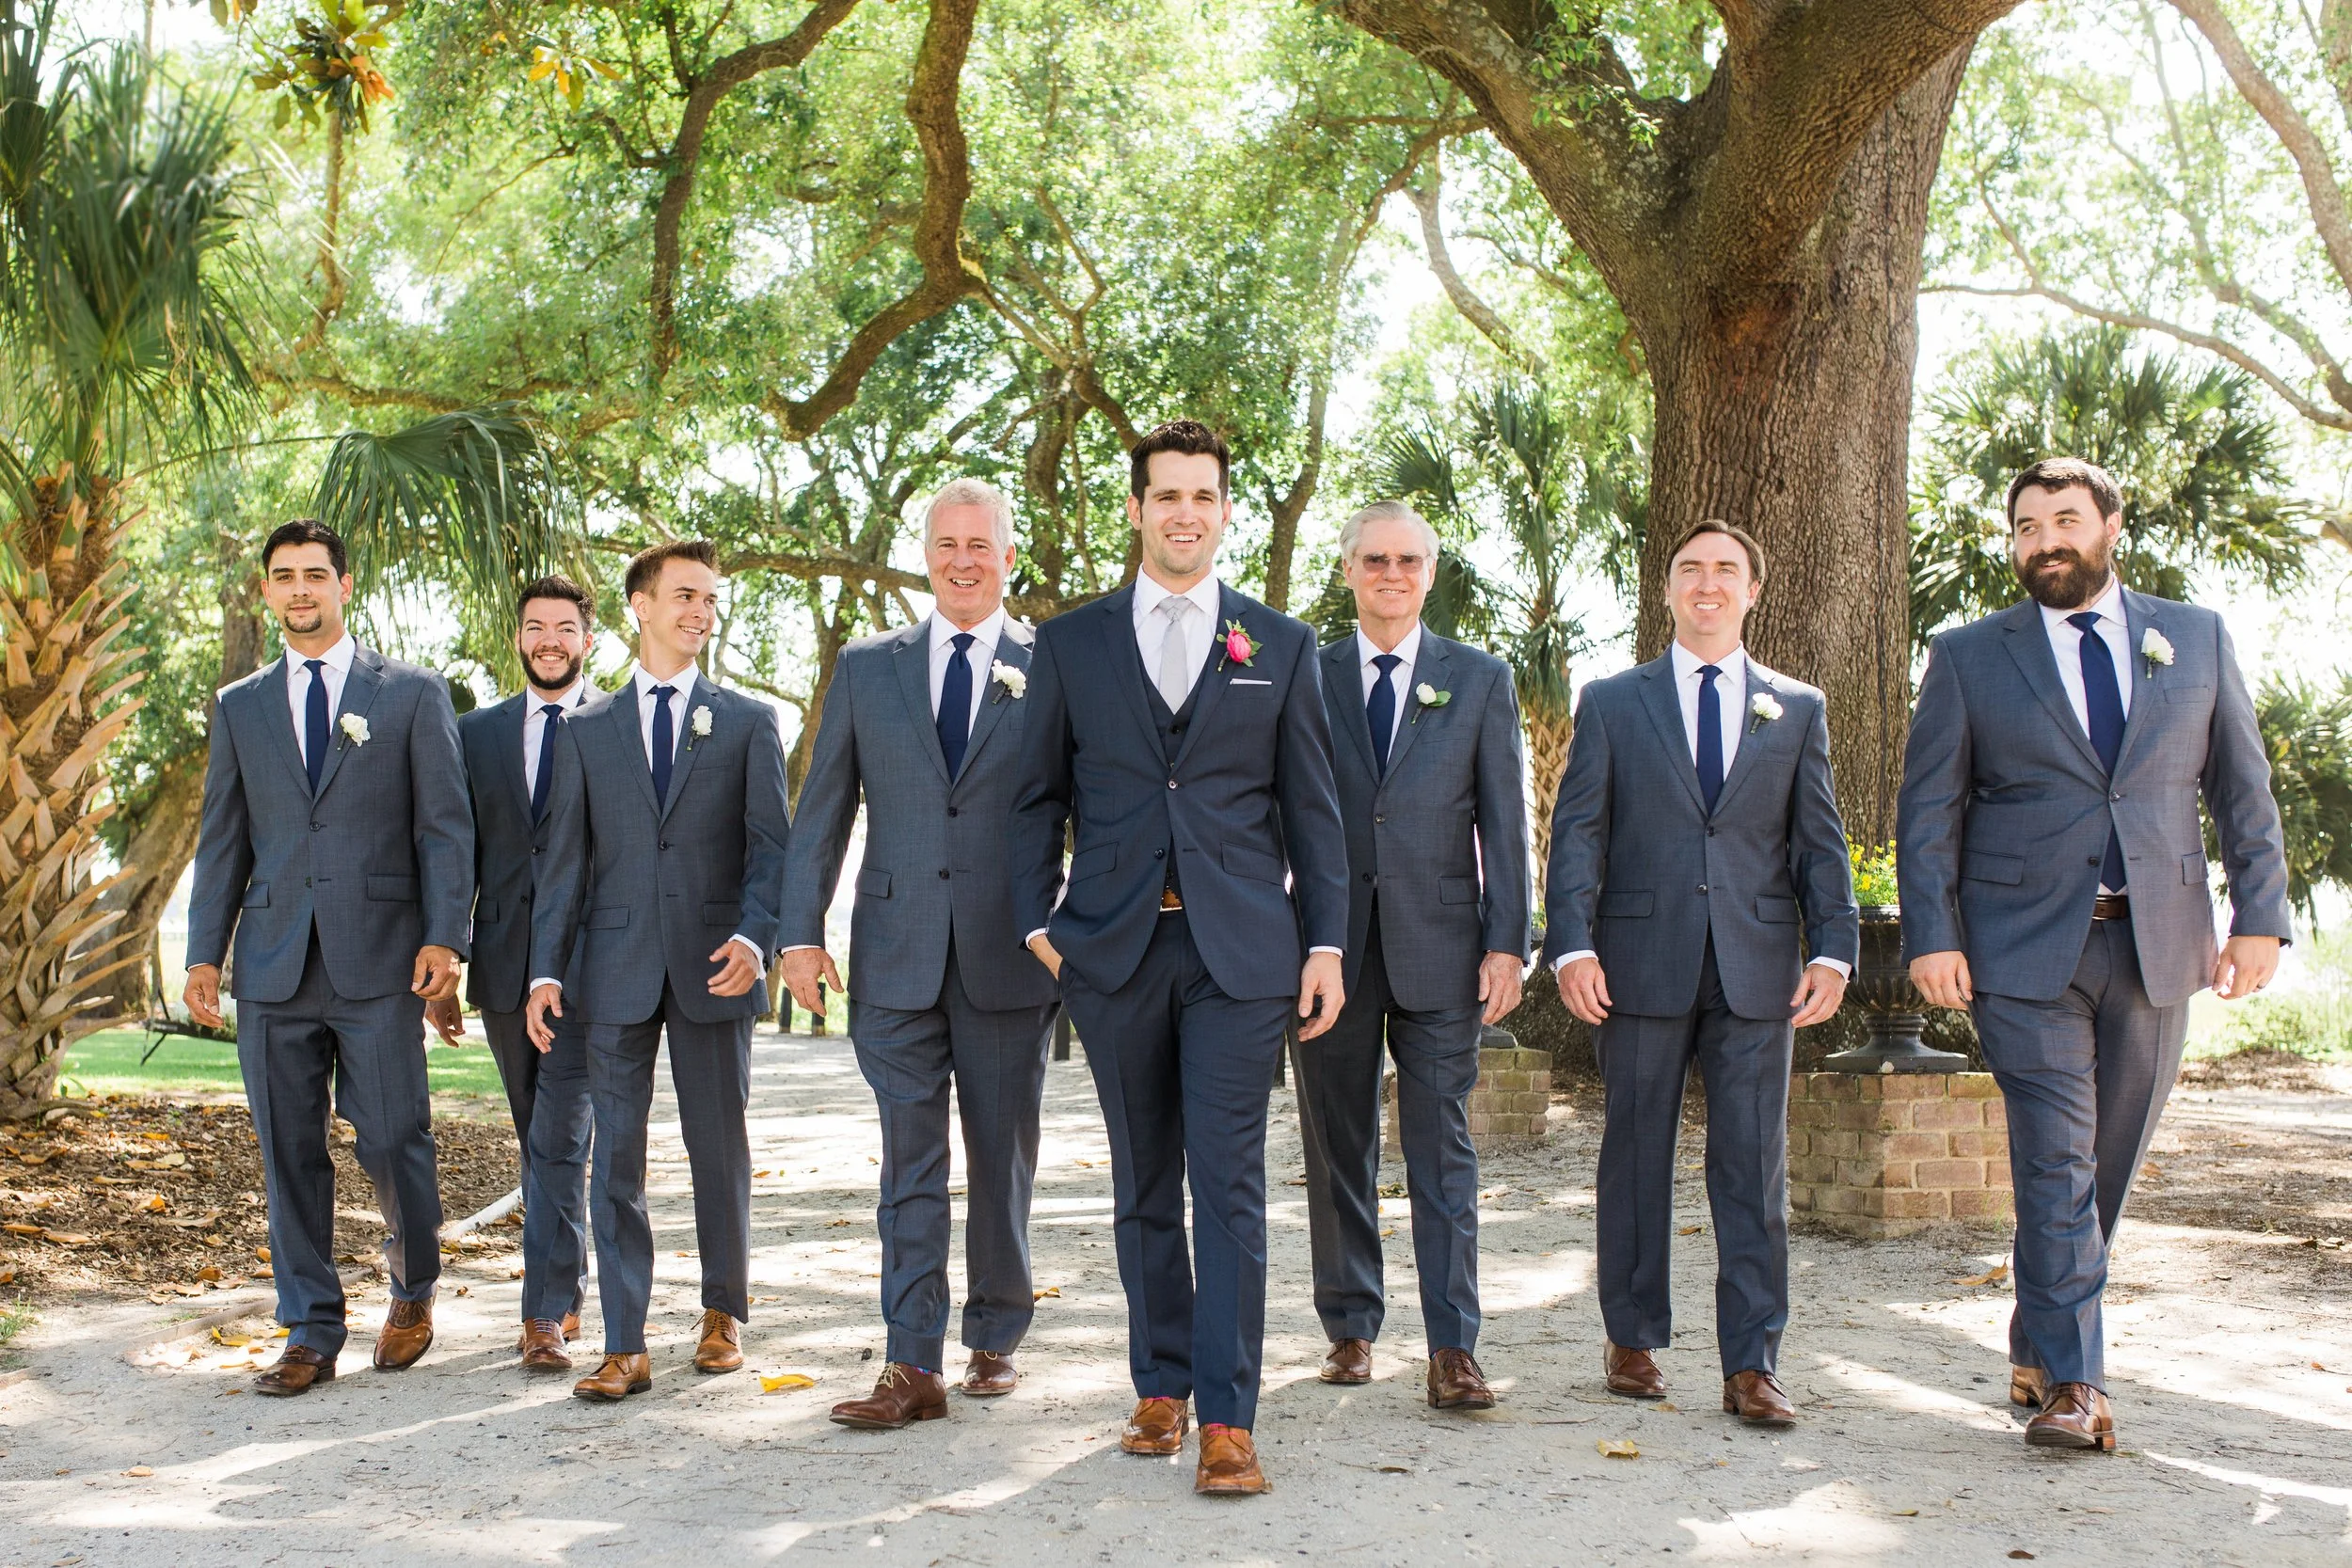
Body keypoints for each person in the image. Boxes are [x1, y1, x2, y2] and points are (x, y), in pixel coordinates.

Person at [1898, 456, 2291, 1453]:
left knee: (2105, 1161)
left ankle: (2037, 1326)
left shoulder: (2192, 636)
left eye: (2064, 519)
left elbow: (2241, 787)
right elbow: (1928, 811)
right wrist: (1932, 934)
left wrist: (2259, 914)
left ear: (2110, 524)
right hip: (2021, 947)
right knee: (2054, 1153)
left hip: (2159, 941)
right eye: (2025, 526)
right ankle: (2079, 1384)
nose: (2044, 540)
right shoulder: (1968, 654)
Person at [1009, 420, 1348, 1497]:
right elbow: (1033, 802)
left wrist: (1326, 939)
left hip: (1240, 953)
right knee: (1143, 1178)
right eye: (1166, 495)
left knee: (1231, 1182)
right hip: (1110, 950)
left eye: (1203, 495)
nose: (1185, 512)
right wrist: (1038, 927)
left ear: (1226, 510)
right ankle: (1159, 1380)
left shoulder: (1279, 645)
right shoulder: (1070, 644)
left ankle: (1230, 1415)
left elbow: (1314, 809)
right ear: (1136, 508)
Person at [1544, 518, 1857, 1427]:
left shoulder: (1797, 707)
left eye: (1726, 570)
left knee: (1751, 1165)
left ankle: (1752, 1361)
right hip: (1637, 962)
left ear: (1753, 590)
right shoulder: (1612, 700)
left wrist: (1833, 946)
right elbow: (1580, 834)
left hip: (1759, 968)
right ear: (1669, 589)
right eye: (1691, 570)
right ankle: (1633, 1336)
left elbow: (1818, 843)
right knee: (1633, 1153)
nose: (1708, 583)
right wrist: (1572, 943)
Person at [779, 478, 1060, 1429]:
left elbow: (1091, 808)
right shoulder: (867, 667)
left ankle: (995, 1328)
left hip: (1010, 957)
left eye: (980, 544)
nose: (963, 559)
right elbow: (821, 810)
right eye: (946, 544)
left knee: (1000, 1158)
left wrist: (1077, 928)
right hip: (894, 954)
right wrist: (799, 931)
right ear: (926, 554)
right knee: (908, 1160)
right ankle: (911, 1359)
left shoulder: (1051, 663)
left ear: (1008, 556)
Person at [185, 518, 473, 1396]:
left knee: (394, 1137)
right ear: (266, 592)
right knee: (288, 1149)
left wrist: (445, 936)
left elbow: (445, 827)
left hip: (382, 958)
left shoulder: (413, 694)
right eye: (284, 576)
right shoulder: (239, 706)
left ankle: (413, 1286)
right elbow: (223, 839)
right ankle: (310, 1326)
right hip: (272, 964)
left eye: (316, 573)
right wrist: (205, 954)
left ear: (346, 584)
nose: (300, 589)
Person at [525, 540, 792, 1402]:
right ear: (640, 606)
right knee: (617, 1163)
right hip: (614, 969)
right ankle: (624, 1340)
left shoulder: (749, 721)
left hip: (717, 967)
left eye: (711, 600)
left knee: (718, 1148)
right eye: (684, 596)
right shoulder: (588, 729)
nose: (700, 612)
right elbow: (564, 863)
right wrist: (544, 972)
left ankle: (723, 1313)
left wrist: (756, 938)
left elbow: (771, 852)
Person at [1295, 500, 1529, 1411]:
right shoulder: (1303, 677)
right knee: (1336, 1145)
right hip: (1329, 953)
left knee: (1443, 1149)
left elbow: (1507, 820)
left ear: (1430, 574)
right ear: (1348, 569)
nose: (1391, 573)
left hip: (1444, 949)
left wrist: (1508, 939)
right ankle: (1350, 1324)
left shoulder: (1478, 679)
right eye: (1374, 559)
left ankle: (1452, 1344)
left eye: (1408, 560)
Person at [432, 575, 599, 1370]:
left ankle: (542, 1313)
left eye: (564, 628)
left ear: (588, 639)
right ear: (519, 638)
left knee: (561, 1134)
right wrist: (448, 956)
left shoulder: (616, 723)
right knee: (538, 1132)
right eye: (536, 627)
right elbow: (455, 852)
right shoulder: (477, 732)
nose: (549, 641)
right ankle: (569, 1282)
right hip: (500, 962)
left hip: (587, 966)